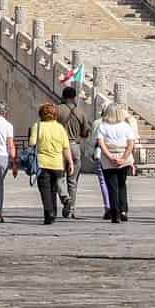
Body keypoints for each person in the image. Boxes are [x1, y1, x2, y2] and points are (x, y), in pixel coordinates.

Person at [29, 103, 74, 224]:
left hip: (42, 163)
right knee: (54, 189)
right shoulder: (60, 128)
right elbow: (66, 147)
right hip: (58, 164)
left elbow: (32, 143)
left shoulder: (37, 126)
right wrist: (70, 162)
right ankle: (55, 211)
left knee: (45, 190)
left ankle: (49, 213)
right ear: (55, 114)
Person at [93, 104, 137, 223]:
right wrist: (124, 158)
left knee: (112, 186)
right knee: (122, 184)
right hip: (124, 154)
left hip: (109, 156)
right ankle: (123, 210)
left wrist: (110, 156)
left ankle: (115, 212)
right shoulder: (126, 126)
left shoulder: (103, 126)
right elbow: (131, 144)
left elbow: (101, 143)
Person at [57, 86, 92, 220]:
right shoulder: (81, 112)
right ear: (74, 97)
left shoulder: (57, 110)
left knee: (59, 177)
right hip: (74, 147)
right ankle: (71, 209)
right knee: (73, 181)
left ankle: (64, 198)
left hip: (60, 148)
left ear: (63, 96)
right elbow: (85, 133)